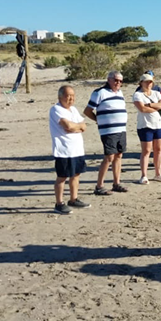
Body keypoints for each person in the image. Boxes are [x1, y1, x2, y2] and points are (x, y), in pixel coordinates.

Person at [84, 71, 129, 195]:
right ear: (109, 80)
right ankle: (99, 186)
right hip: (108, 130)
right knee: (109, 157)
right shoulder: (99, 93)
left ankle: (116, 183)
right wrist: (98, 120)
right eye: (115, 80)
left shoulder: (120, 92)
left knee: (119, 155)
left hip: (121, 129)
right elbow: (88, 111)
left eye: (120, 81)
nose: (118, 83)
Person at [50, 85, 90, 214]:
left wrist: (76, 127)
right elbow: (67, 126)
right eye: (68, 96)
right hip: (63, 150)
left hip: (77, 149)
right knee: (62, 177)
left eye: (73, 96)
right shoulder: (56, 109)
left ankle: (73, 199)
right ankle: (59, 203)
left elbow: (84, 126)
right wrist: (75, 127)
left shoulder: (73, 110)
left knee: (76, 175)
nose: (71, 99)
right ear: (60, 96)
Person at [132, 73, 161, 184]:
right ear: (141, 83)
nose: (148, 84)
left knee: (158, 149)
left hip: (158, 125)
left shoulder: (157, 93)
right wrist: (156, 107)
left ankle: (158, 173)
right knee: (146, 150)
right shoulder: (138, 95)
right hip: (145, 125)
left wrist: (150, 105)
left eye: (150, 82)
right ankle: (144, 175)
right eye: (146, 81)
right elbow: (142, 109)